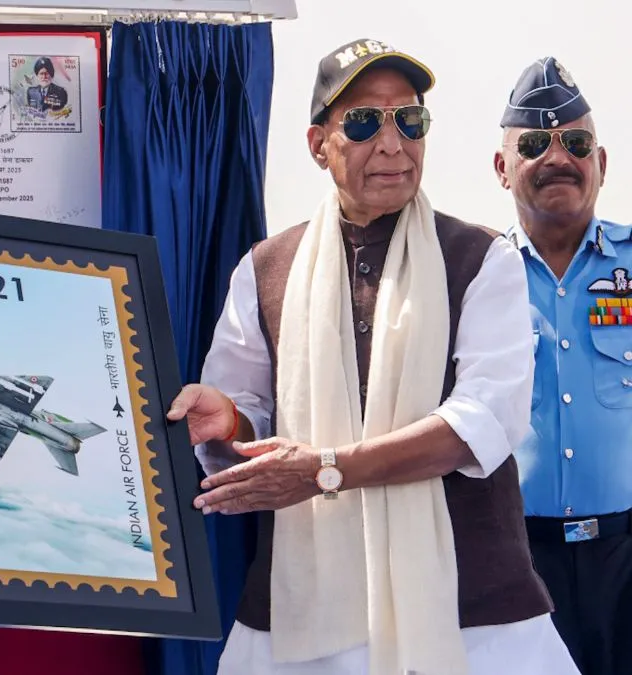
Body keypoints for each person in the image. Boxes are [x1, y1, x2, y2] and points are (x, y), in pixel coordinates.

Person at [166, 38, 578, 674]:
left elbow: (481, 425)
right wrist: (227, 422)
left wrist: (325, 469)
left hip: (468, 617)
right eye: (362, 122)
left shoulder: (480, 259)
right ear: (316, 144)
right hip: (307, 620)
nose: (392, 143)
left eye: (408, 120)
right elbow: (246, 430)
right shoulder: (266, 270)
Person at [494, 57, 632, 675]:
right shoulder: (474, 279)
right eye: (533, 144)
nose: (558, 158)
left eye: (576, 142)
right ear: (503, 168)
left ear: (600, 163)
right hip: (516, 563)